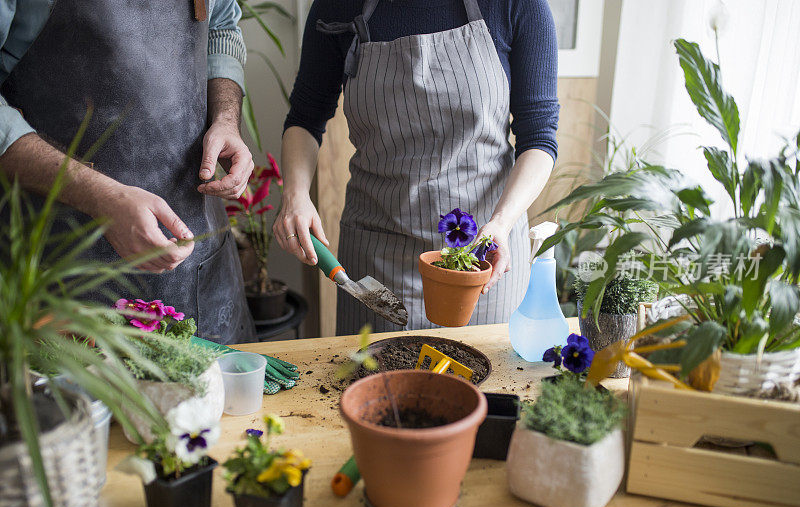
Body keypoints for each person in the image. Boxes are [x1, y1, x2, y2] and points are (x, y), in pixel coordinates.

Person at [275, 0, 559, 334]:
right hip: (378, 261)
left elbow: (539, 138)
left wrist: (502, 221)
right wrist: (295, 195)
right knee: (375, 384)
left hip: (482, 259)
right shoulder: (337, 4)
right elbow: (305, 118)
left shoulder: (515, 4)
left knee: (489, 383)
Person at [0, 0, 256, 343]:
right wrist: (101, 196)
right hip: (60, 277)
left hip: (202, 274)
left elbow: (221, 26)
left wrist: (226, 119)